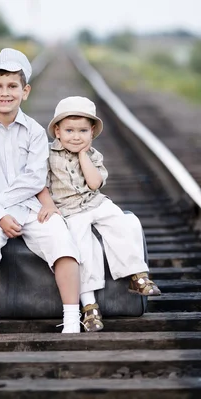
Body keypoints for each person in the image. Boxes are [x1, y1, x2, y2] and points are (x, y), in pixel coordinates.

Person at [0, 49, 82, 335]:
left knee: (62, 241)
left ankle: (71, 318)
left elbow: (35, 178)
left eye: (12, 86)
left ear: (25, 91)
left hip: (30, 208)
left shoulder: (34, 131)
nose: (5, 93)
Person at [36, 96, 161, 332]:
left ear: (92, 132)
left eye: (82, 130)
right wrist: (47, 206)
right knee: (83, 249)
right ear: (57, 131)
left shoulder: (93, 155)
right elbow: (40, 185)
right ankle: (89, 306)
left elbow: (95, 184)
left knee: (122, 223)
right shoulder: (47, 155)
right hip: (69, 210)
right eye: (69, 130)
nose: (76, 136)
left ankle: (137, 274)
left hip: (94, 202)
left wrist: (83, 156)